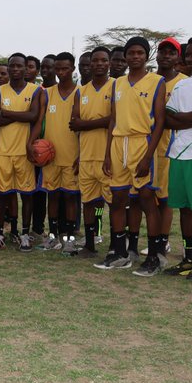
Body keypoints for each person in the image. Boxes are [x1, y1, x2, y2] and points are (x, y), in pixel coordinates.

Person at [96, 37, 167, 275]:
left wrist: (148, 156)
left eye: (139, 53)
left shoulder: (157, 81)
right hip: (118, 144)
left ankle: (156, 256)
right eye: (131, 53)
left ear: (146, 56)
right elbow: (113, 119)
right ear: (125, 57)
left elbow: (159, 122)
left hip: (141, 142)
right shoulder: (117, 84)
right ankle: (119, 252)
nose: (135, 57)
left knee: (147, 200)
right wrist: (107, 153)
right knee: (117, 199)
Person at [162, 36, 192, 277]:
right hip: (177, 153)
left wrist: (188, 118)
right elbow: (167, 118)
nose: (191, 59)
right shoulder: (181, 85)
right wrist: (191, 116)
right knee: (183, 209)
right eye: (188, 55)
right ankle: (188, 257)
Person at [0, 53, 42, 250]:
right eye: (13, 66)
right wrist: (23, 116)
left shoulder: (35, 90)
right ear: (8, 68)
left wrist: (7, 113)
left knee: (27, 195)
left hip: (24, 152)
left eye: (20, 66)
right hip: (3, 152)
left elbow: (35, 116)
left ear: (26, 69)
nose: (16, 69)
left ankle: (25, 234)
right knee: (1, 195)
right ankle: (0, 234)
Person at [71, 47, 113, 256]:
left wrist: (86, 123)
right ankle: (89, 244)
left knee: (112, 204)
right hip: (86, 156)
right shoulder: (82, 91)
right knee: (89, 202)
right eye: (95, 61)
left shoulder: (116, 86)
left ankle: (116, 245)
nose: (98, 64)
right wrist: (101, 122)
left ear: (109, 63)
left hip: (108, 156)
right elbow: (74, 123)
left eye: (103, 60)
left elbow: (115, 120)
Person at [39, 52, 81, 254]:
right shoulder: (47, 93)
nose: (61, 72)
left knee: (71, 198)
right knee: (52, 196)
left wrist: (81, 154)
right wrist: (32, 144)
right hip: (50, 156)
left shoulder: (80, 93)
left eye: (65, 68)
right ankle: (53, 236)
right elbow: (39, 121)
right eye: (58, 69)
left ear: (73, 69)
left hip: (72, 155)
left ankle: (70, 238)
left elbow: (81, 127)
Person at [149, 37, 185, 261]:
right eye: (162, 51)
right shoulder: (149, 80)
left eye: (171, 52)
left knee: (165, 198)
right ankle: (153, 238)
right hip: (146, 146)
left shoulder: (183, 82)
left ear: (177, 57)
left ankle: (163, 241)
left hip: (170, 147)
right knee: (146, 196)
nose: (165, 56)